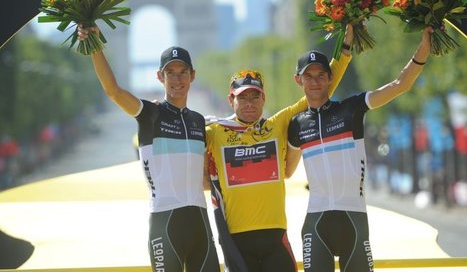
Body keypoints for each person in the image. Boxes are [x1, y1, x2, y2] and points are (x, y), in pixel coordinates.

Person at [206, 26, 354, 272]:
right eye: (242, 98)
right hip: (237, 239)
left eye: (255, 97)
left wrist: (346, 49)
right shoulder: (215, 132)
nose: (249, 103)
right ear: (230, 100)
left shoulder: (277, 125)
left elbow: (320, 91)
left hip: (275, 236)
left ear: (264, 99)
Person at [287, 25, 433, 272]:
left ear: (330, 77)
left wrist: (424, 49)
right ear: (298, 80)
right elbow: (286, 171)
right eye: (308, 76)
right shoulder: (296, 124)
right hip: (316, 222)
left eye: (320, 75)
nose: (314, 81)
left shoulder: (351, 108)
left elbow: (400, 84)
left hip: (353, 219)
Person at [77, 25, 220, 272]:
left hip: (200, 223)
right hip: (165, 224)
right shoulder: (150, 114)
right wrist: (95, 45)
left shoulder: (199, 121)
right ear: (159, 77)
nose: (177, 79)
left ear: (192, 76)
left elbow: (206, 178)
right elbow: (113, 91)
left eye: (183, 72)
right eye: (170, 73)